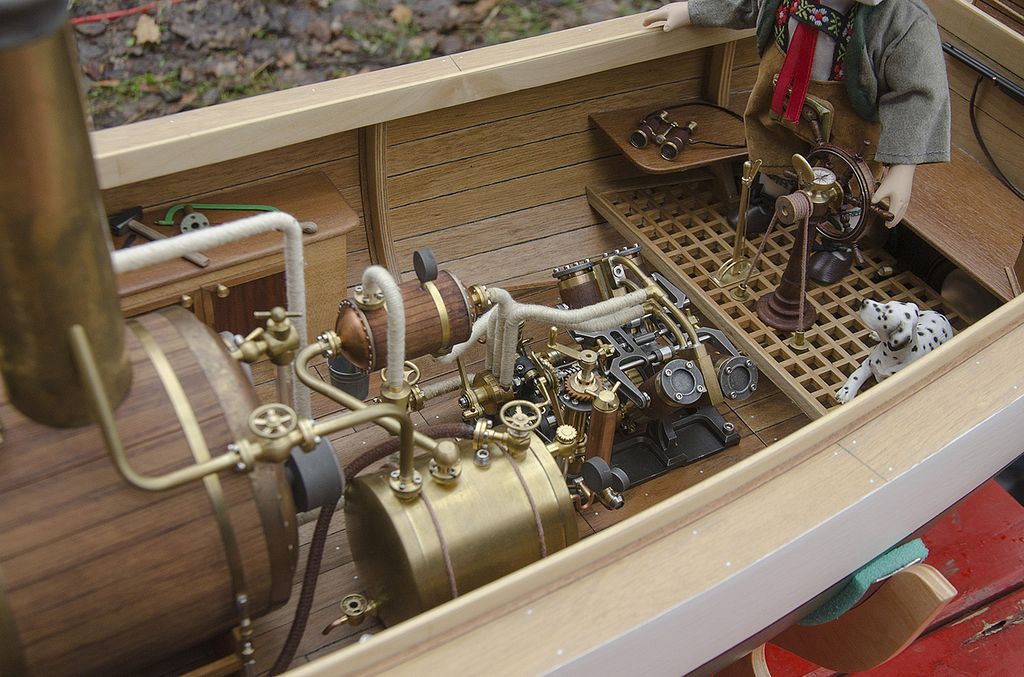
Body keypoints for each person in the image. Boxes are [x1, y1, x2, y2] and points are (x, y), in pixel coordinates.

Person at [643, 0, 950, 233]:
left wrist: (903, 167)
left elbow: (918, 91)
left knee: (848, 173)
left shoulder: (902, 18)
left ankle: (837, 235)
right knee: (774, 144)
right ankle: (769, 200)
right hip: (781, 89)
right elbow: (746, 3)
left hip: (850, 111)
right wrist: (693, 10)